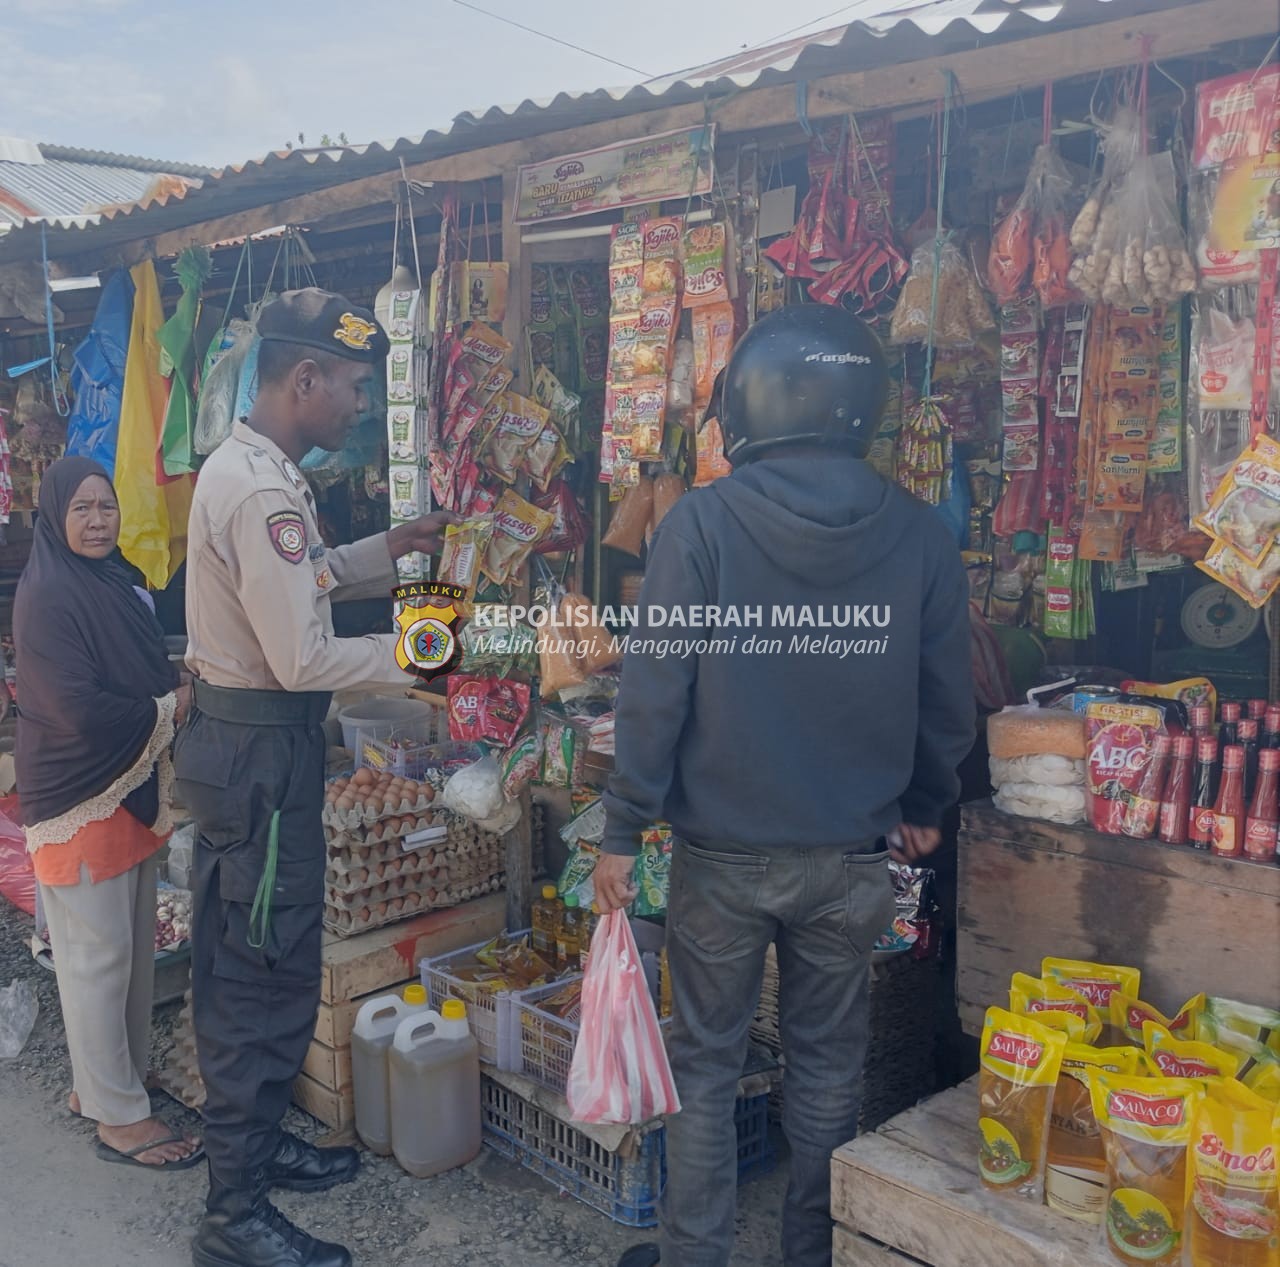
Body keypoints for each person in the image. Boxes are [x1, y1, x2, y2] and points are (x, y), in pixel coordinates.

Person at [594, 305, 976, 1267]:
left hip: (720, 860)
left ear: (749, 410)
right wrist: (927, 805)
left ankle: (694, 1253)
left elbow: (654, 691)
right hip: (851, 863)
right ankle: (814, 1253)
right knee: (827, 1068)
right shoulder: (923, 538)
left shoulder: (703, 525)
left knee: (707, 1063)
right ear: (862, 408)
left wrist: (622, 824)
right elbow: (947, 702)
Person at [175, 289, 456, 1267]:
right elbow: (299, 654)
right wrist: (426, 657)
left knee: (248, 958)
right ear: (302, 380)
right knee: (264, 971)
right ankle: (234, 1213)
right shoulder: (257, 487)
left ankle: (250, 1152)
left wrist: (394, 552)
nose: (355, 406)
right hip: (258, 750)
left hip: (248, 748)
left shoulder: (259, 469)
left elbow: (306, 577)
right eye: (347, 387)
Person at [14, 455, 200, 1170]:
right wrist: (169, 707)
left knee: (124, 955)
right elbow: (76, 709)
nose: (98, 520)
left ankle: (109, 1081)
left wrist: (170, 679)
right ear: (56, 517)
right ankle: (117, 1118)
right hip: (80, 789)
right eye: (83, 509)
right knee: (95, 962)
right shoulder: (50, 596)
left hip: (124, 784)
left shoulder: (113, 578)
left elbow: (137, 660)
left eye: (107, 506)